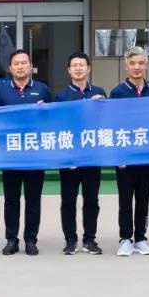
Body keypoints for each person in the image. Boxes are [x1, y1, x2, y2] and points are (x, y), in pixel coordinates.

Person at [0, 49, 50, 256]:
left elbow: (52, 119)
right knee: (11, 200)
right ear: (10, 68)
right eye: (16, 63)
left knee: (33, 199)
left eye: (24, 63)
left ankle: (31, 240)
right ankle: (11, 240)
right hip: (11, 155)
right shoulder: (1, 91)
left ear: (30, 65)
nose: (20, 66)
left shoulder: (42, 89)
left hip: (35, 154)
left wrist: (45, 110)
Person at [109, 47, 149, 257]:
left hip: (147, 154)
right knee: (125, 199)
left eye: (141, 63)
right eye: (132, 63)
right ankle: (125, 238)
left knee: (143, 198)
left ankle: (140, 238)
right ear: (126, 66)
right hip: (125, 155)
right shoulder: (118, 92)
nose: (137, 67)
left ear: (146, 65)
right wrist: (118, 154)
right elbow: (113, 124)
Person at [52, 52, 106, 255]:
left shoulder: (99, 92)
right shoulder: (61, 96)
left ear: (88, 68)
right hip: (70, 158)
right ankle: (70, 240)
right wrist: (66, 155)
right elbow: (58, 127)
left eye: (82, 65)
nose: (78, 68)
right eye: (74, 65)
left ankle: (90, 239)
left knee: (92, 200)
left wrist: (102, 104)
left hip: (92, 156)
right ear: (68, 70)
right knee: (68, 201)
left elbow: (106, 121)